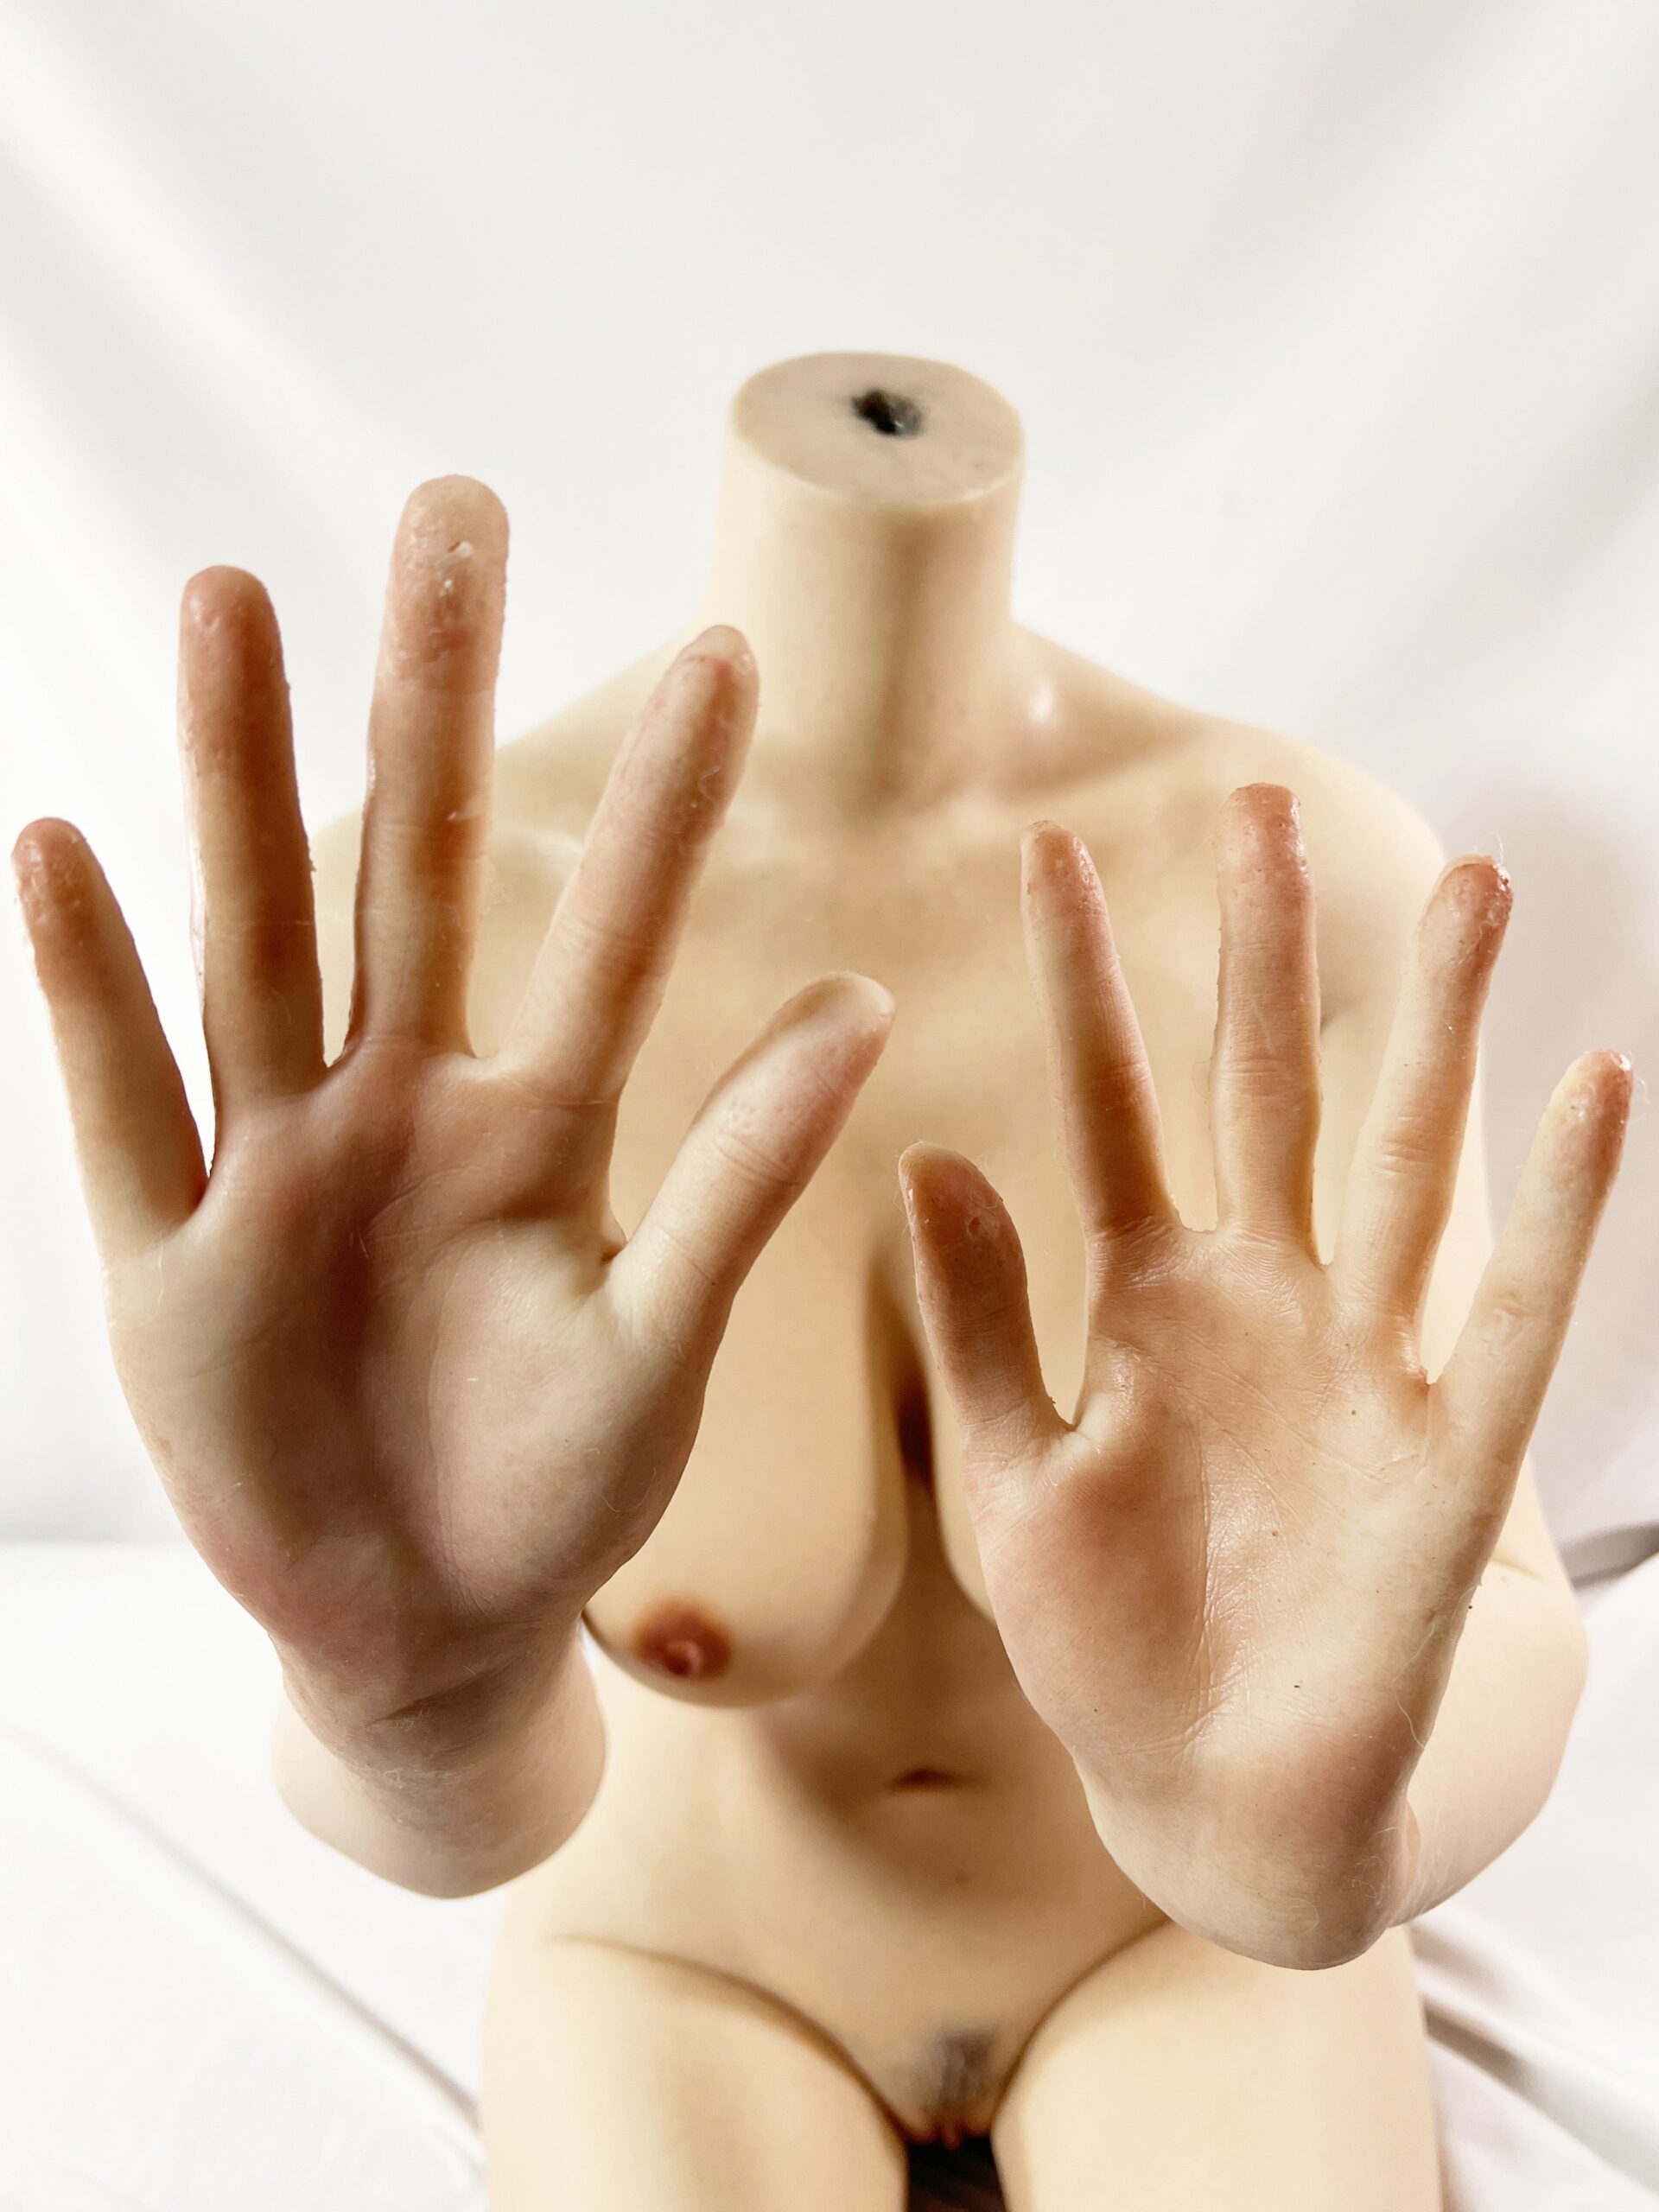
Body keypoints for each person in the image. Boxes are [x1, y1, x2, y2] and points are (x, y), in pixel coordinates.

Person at [10, 353, 1632, 2210]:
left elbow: (1495, 1595)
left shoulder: (1294, 888)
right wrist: (405, 1710)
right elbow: (447, 1823)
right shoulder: (425, 975)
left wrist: (1335, 1848)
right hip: (678, 1960)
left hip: (1192, 1943)